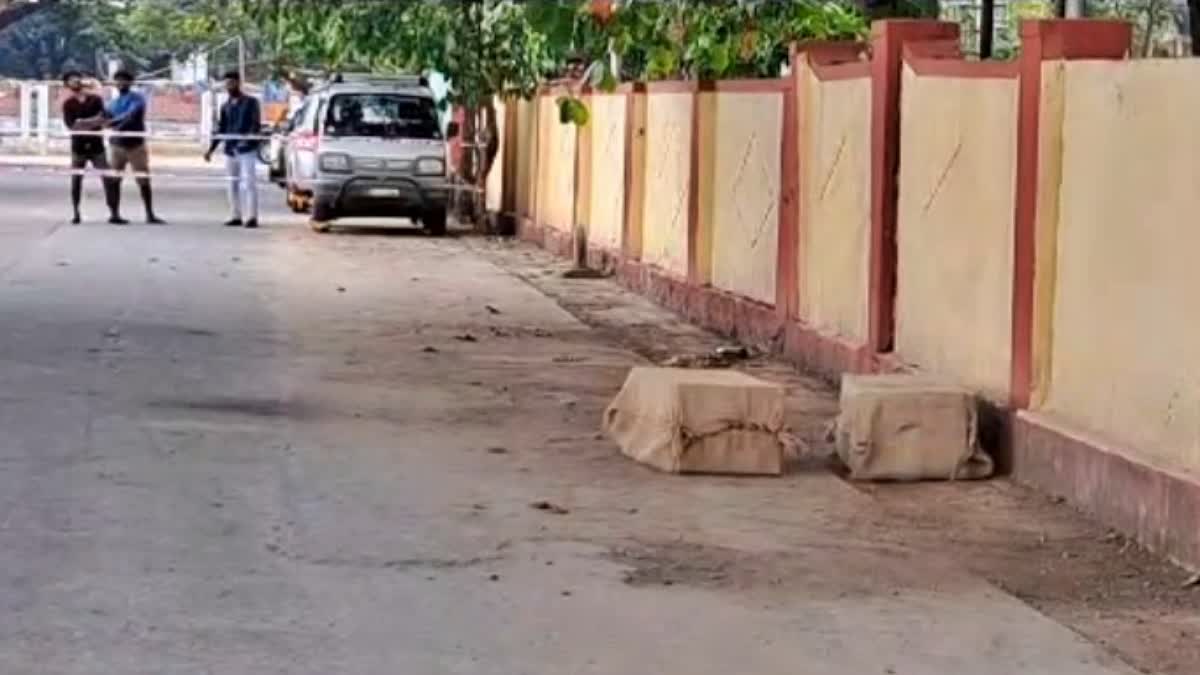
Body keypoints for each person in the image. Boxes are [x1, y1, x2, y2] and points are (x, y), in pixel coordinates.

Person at [60, 71, 122, 225]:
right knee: (76, 180)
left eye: (76, 79)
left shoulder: (95, 100)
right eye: (70, 80)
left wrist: (83, 122)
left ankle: (114, 213)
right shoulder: (68, 104)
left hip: (96, 145)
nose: (74, 82)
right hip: (78, 146)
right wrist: (90, 122)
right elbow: (72, 125)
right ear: (67, 85)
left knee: (109, 179)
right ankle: (76, 213)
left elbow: (103, 118)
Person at [105, 70, 166, 225]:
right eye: (118, 81)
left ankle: (149, 213)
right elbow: (105, 118)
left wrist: (113, 124)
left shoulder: (137, 99)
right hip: (117, 145)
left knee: (143, 179)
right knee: (114, 180)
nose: (120, 84)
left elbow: (130, 116)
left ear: (130, 83)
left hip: (135, 145)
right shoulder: (112, 103)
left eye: (124, 81)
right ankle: (114, 213)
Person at [205, 70, 262, 228]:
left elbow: (255, 124)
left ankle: (251, 216)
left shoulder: (251, 102)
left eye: (231, 83)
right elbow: (221, 128)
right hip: (230, 149)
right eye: (226, 84)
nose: (228, 86)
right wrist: (211, 149)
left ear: (238, 83)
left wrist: (247, 139)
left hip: (246, 149)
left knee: (249, 183)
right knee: (231, 183)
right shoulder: (225, 106)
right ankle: (235, 215)